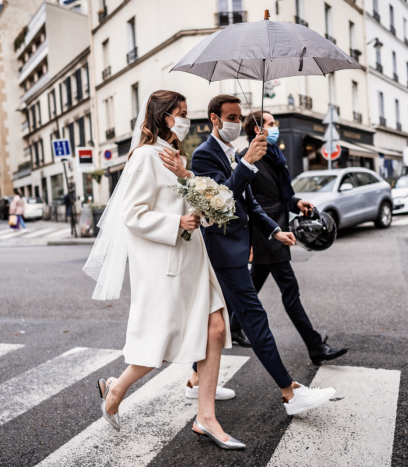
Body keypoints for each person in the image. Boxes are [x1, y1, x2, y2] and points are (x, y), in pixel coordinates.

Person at [83, 90, 245, 450]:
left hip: (193, 259)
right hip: (167, 262)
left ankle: (205, 418)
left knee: (216, 329)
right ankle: (115, 389)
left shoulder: (174, 155)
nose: (185, 119)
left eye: (186, 112)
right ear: (163, 116)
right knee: (161, 338)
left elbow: (186, 200)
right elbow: (133, 214)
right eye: (180, 113)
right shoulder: (144, 156)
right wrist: (178, 222)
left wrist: (193, 192)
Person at [162, 94, 336, 416]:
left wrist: (274, 231)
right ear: (214, 119)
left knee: (215, 321)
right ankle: (290, 393)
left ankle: (195, 382)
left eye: (239, 117)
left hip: (238, 247)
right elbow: (222, 202)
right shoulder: (204, 155)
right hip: (223, 250)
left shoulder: (232, 153)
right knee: (254, 318)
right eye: (231, 117)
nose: (236, 122)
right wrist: (246, 163)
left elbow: (250, 204)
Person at [240, 110, 349, 365]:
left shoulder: (275, 154)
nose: (275, 127)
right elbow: (249, 202)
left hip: (277, 227)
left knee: (251, 286)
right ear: (257, 130)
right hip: (267, 233)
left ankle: (233, 325)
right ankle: (315, 346)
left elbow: (280, 196)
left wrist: (297, 203)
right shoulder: (247, 158)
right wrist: (254, 239)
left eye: (275, 123)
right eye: (269, 123)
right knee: (290, 290)